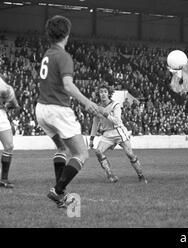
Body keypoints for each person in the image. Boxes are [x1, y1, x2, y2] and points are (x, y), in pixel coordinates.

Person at [36, 15, 99, 208]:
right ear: (67, 34)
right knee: (81, 154)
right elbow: (68, 85)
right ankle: (58, 190)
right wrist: (86, 102)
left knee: (62, 149)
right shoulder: (63, 56)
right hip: (58, 110)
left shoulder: (48, 53)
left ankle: (60, 196)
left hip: (41, 109)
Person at [89, 84, 147, 183]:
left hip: (119, 131)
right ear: (98, 94)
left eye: (105, 91)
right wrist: (91, 139)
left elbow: (117, 121)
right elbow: (95, 124)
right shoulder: (97, 108)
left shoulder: (115, 105)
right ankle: (110, 175)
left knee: (130, 154)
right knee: (98, 152)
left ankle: (141, 176)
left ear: (109, 93)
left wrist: (106, 113)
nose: (103, 94)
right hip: (107, 134)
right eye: (101, 92)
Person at [0, 76, 20, 188]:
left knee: (9, 145)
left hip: (1, 115)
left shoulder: (5, 85)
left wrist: (9, 104)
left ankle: (4, 179)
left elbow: (16, 106)